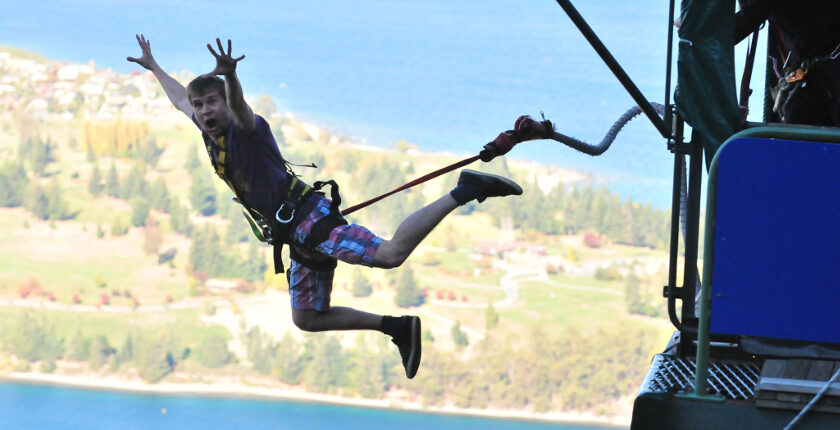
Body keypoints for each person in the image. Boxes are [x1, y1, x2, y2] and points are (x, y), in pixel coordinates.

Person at [127, 35, 523, 379]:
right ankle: (398, 328)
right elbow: (180, 98)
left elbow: (240, 107)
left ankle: (464, 191)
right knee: (308, 318)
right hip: (291, 230)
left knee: (390, 255)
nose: (204, 111)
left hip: (307, 218)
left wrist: (230, 76)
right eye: (201, 106)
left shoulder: (246, 128)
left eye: (212, 103)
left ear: (225, 105)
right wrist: (154, 67)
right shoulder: (208, 130)